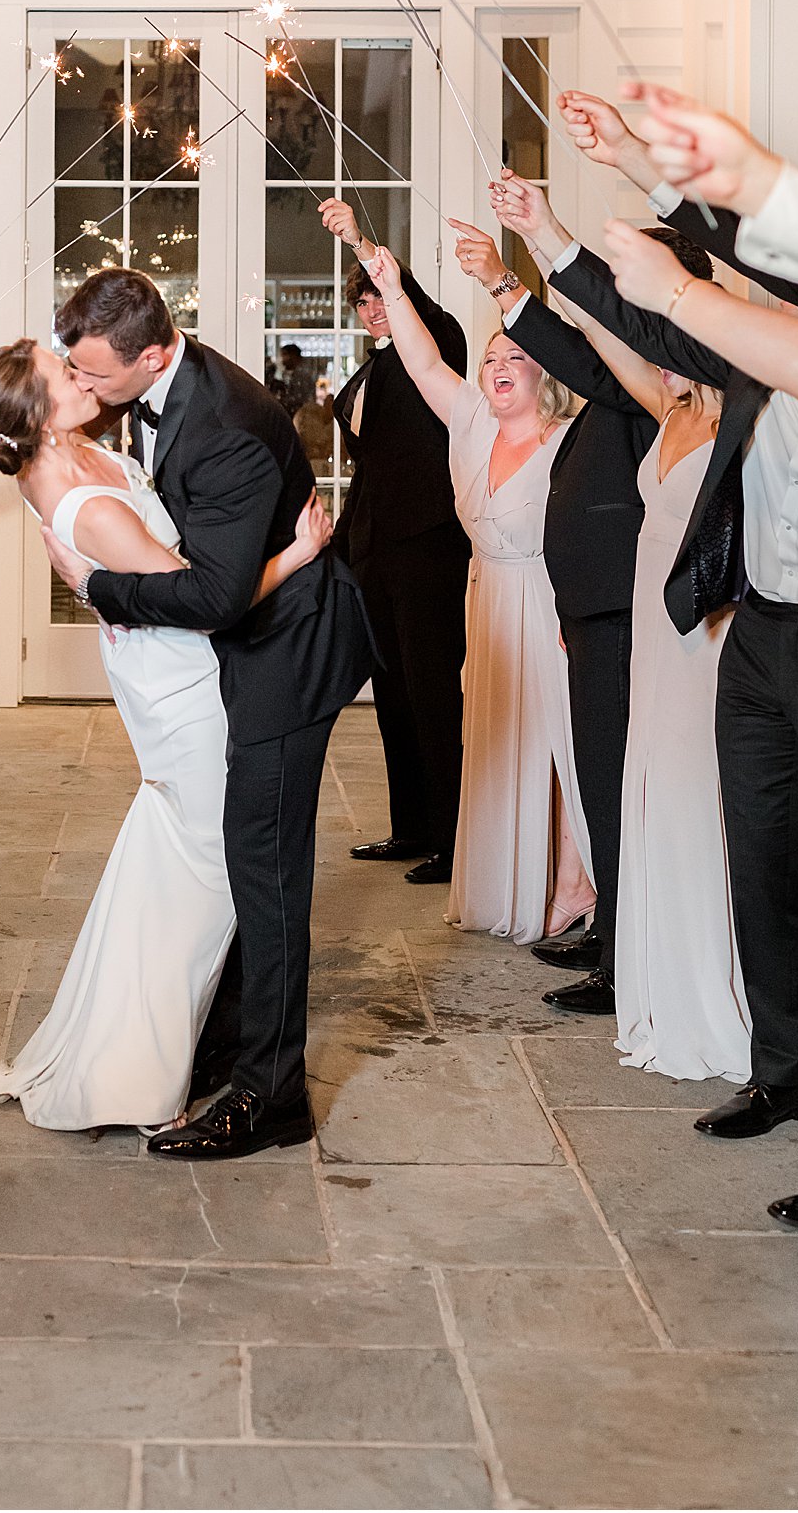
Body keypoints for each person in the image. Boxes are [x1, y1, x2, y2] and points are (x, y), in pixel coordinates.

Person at [496, 140, 798, 1190]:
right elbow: (641, 329)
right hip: (754, 636)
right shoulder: (748, 356)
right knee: (756, 862)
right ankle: (779, 1073)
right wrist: (550, 237)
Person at [43, 269, 374, 1163]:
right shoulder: (154, 390)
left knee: (264, 870)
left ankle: (274, 1096)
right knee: (240, 855)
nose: (82, 388)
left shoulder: (221, 428)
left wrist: (96, 587)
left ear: (152, 353)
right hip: (251, 642)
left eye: (94, 375)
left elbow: (221, 596)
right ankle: (226, 1045)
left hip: (286, 653)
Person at [0, 339, 331, 1130]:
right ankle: (138, 1065)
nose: (79, 373)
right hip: (184, 682)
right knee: (211, 867)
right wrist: (298, 551)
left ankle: (185, 1040)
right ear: (37, 415)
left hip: (173, 661)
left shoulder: (82, 448)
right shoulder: (86, 504)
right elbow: (206, 599)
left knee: (182, 853)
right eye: (63, 373)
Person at [449, 208, 699, 1019]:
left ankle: (623, 960)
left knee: (613, 787)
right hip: (593, 613)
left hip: (625, 616)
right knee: (601, 786)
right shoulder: (623, 376)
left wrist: (506, 277)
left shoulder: (650, 373)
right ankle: (609, 935)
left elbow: (577, 358)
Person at [361, 243, 592, 946]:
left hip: (549, 607)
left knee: (561, 750)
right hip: (489, 602)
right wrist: (391, 288)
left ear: (545, 373)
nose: (496, 367)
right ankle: (508, 882)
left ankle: (576, 882)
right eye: (491, 357)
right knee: (502, 742)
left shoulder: (570, 440)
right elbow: (424, 360)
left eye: (514, 357)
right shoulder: (468, 422)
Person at [318, 201, 469, 881]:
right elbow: (370, 472)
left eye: (381, 294)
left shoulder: (437, 344)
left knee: (434, 692)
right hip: (377, 548)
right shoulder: (367, 373)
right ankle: (411, 826)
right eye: (364, 301)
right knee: (394, 690)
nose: (374, 308)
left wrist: (362, 244)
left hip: (431, 543)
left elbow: (423, 319)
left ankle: (453, 837)